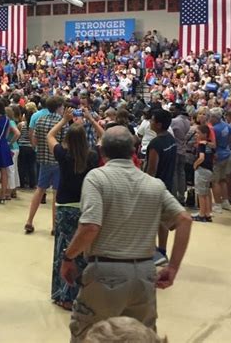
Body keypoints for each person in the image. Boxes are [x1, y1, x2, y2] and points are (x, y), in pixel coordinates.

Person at [60, 126, 192, 342]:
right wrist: (173, 266)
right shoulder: (154, 184)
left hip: (105, 271)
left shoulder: (97, 178)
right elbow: (184, 220)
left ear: (102, 151)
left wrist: (68, 256)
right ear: (134, 151)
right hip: (144, 273)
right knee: (141, 336)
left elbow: (91, 226)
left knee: (90, 334)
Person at [47, 107, 97, 311]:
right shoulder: (93, 156)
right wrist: (91, 119)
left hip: (65, 208)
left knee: (63, 251)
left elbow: (50, 136)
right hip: (86, 208)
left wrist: (63, 120)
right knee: (82, 251)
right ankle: (81, 293)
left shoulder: (63, 155)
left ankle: (63, 295)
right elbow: (105, 137)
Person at [25, 96, 66, 234]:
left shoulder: (40, 120)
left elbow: (35, 141)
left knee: (40, 189)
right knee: (56, 193)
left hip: (43, 160)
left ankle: (29, 221)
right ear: (59, 107)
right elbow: (65, 144)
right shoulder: (62, 122)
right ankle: (54, 226)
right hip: (58, 161)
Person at [146, 108, 177, 266]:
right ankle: (163, 251)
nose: (150, 122)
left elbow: (152, 169)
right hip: (168, 184)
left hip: (155, 187)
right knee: (162, 221)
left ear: (158, 124)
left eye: (152, 120)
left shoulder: (155, 144)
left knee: (151, 221)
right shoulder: (171, 139)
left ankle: (151, 253)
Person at [209, 108, 231, 212]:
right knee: (223, 179)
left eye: (211, 116)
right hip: (226, 153)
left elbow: (213, 143)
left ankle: (217, 204)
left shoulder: (215, 129)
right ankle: (225, 201)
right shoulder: (227, 125)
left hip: (218, 155)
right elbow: (230, 135)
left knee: (215, 181)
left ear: (214, 117)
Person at [192, 125, 215, 222]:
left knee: (201, 194)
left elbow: (201, 157)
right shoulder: (209, 145)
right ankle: (207, 213)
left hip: (202, 170)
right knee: (205, 193)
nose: (196, 135)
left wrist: (195, 164)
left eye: (198, 133)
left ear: (204, 134)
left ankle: (201, 214)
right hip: (209, 170)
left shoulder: (201, 145)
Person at [170, 104, 191, 205]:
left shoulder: (174, 121)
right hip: (183, 149)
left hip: (175, 149)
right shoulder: (187, 121)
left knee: (174, 174)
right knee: (181, 174)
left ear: (178, 110)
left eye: (173, 110)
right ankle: (182, 196)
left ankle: (174, 197)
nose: (171, 112)